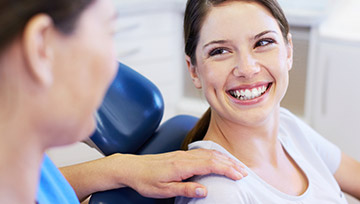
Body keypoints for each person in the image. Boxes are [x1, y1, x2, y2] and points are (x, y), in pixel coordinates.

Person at [0, 0, 249, 203]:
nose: (114, 68)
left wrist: (120, 169)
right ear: (41, 47)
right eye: (108, 33)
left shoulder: (28, 166)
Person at [176, 0, 360, 203]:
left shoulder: (287, 127)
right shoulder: (220, 193)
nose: (247, 69)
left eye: (263, 43)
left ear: (288, 50)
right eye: (220, 51)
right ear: (193, 70)